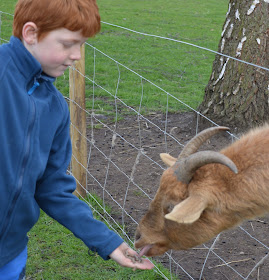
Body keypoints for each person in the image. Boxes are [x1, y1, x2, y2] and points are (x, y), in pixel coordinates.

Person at [0, 0, 154, 278]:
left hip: (10, 253)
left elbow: (52, 187)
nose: (76, 55)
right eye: (68, 44)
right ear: (31, 33)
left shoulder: (56, 108)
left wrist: (108, 242)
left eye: (82, 44)